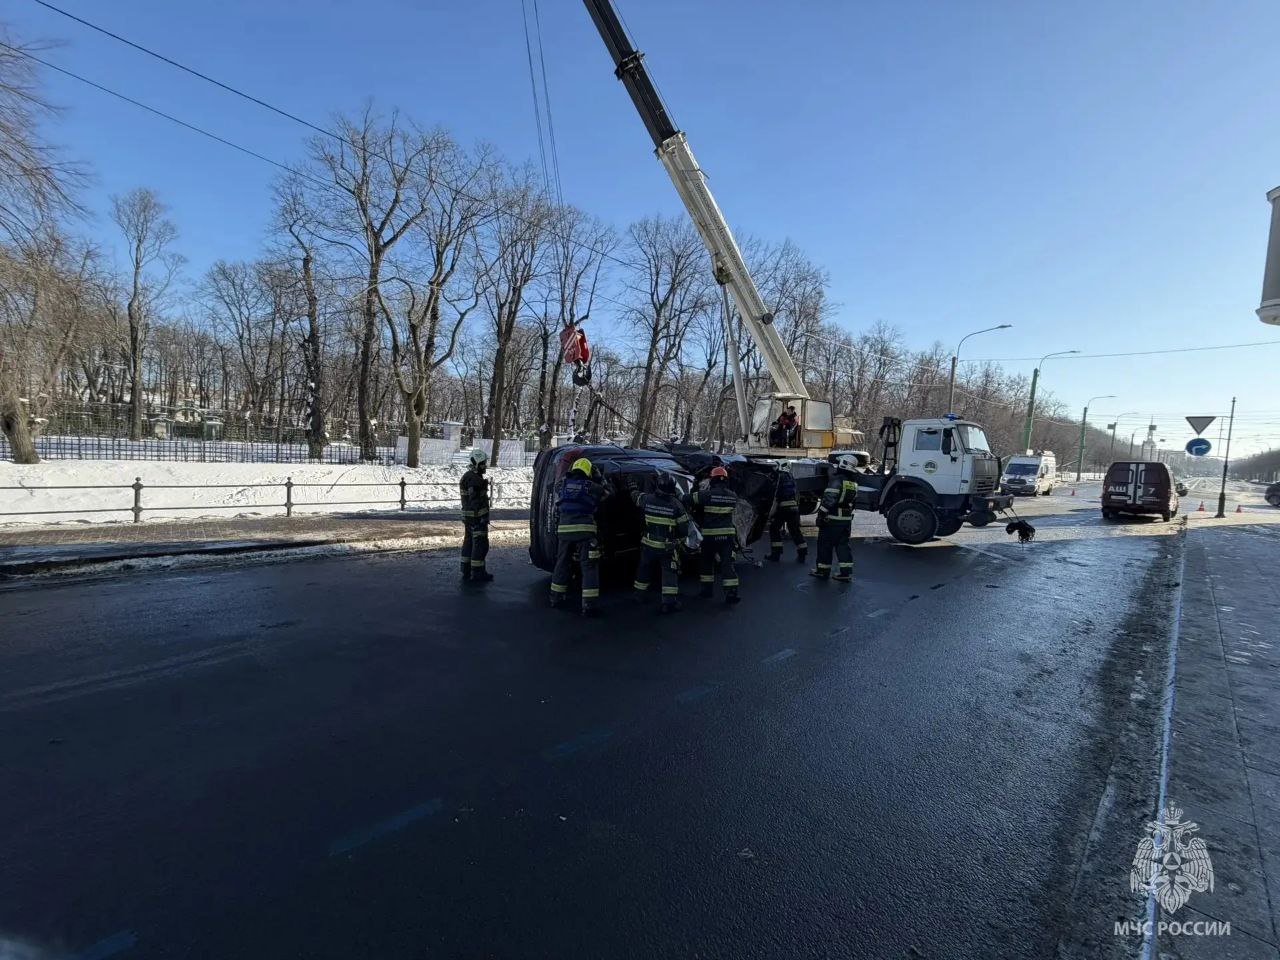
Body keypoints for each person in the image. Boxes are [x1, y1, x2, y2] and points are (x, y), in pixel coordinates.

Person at [550, 456, 609, 615]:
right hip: (585, 531)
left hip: (564, 531)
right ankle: (589, 605)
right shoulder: (591, 486)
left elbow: (555, 488)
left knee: (562, 563)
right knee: (588, 566)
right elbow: (608, 493)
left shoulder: (562, 484)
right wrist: (599, 477)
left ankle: (556, 597)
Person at [629, 471, 689, 614]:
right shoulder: (677, 505)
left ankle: (639, 595)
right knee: (669, 573)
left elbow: (635, 497)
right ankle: (668, 603)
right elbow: (684, 529)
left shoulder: (647, 499)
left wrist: (632, 485)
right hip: (666, 547)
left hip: (648, 544)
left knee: (644, 569)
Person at [686, 465, 740, 603]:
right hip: (727, 537)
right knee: (727, 564)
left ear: (713, 480)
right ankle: (731, 592)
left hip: (709, 537)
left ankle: (706, 591)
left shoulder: (706, 495)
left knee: (706, 563)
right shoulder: (733, 496)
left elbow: (688, 499)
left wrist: (695, 485)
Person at [811, 453, 859, 582]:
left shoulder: (837, 480)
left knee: (825, 544)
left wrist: (821, 515)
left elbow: (829, 500)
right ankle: (845, 573)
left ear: (843, 464)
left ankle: (822, 570)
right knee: (842, 545)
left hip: (832, 519)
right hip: (846, 520)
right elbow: (853, 503)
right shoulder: (853, 482)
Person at [459, 447, 492, 583]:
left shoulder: (468, 476)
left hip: (468, 517)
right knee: (480, 544)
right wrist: (482, 517)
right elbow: (475, 500)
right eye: (483, 463)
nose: (485, 466)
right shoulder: (474, 479)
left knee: (469, 542)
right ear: (477, 463)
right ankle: (477, 572)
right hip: (476, 518)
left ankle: (466, 569)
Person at [767, 461, 807, 563]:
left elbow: (774, 491)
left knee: (774, 528)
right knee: (795, 530)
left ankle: (776, 554)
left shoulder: (779, 476)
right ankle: (802, 553)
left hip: (783, 507)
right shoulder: (791, 477)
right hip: (794, 507)